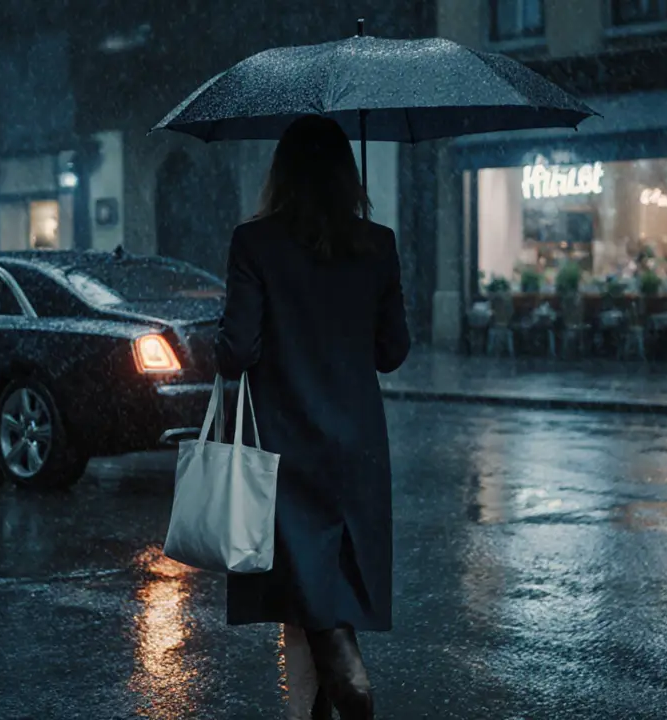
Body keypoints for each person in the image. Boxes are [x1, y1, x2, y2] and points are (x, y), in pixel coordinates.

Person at [214, 114, 410, 720]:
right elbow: (392, 352)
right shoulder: (377, 244)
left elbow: (235, 352)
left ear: (283, 174)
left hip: (287, 450)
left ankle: (351, 683)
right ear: (347, 175)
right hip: (356, 450)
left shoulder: (255, 243)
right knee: (319, 597)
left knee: (308, 600)